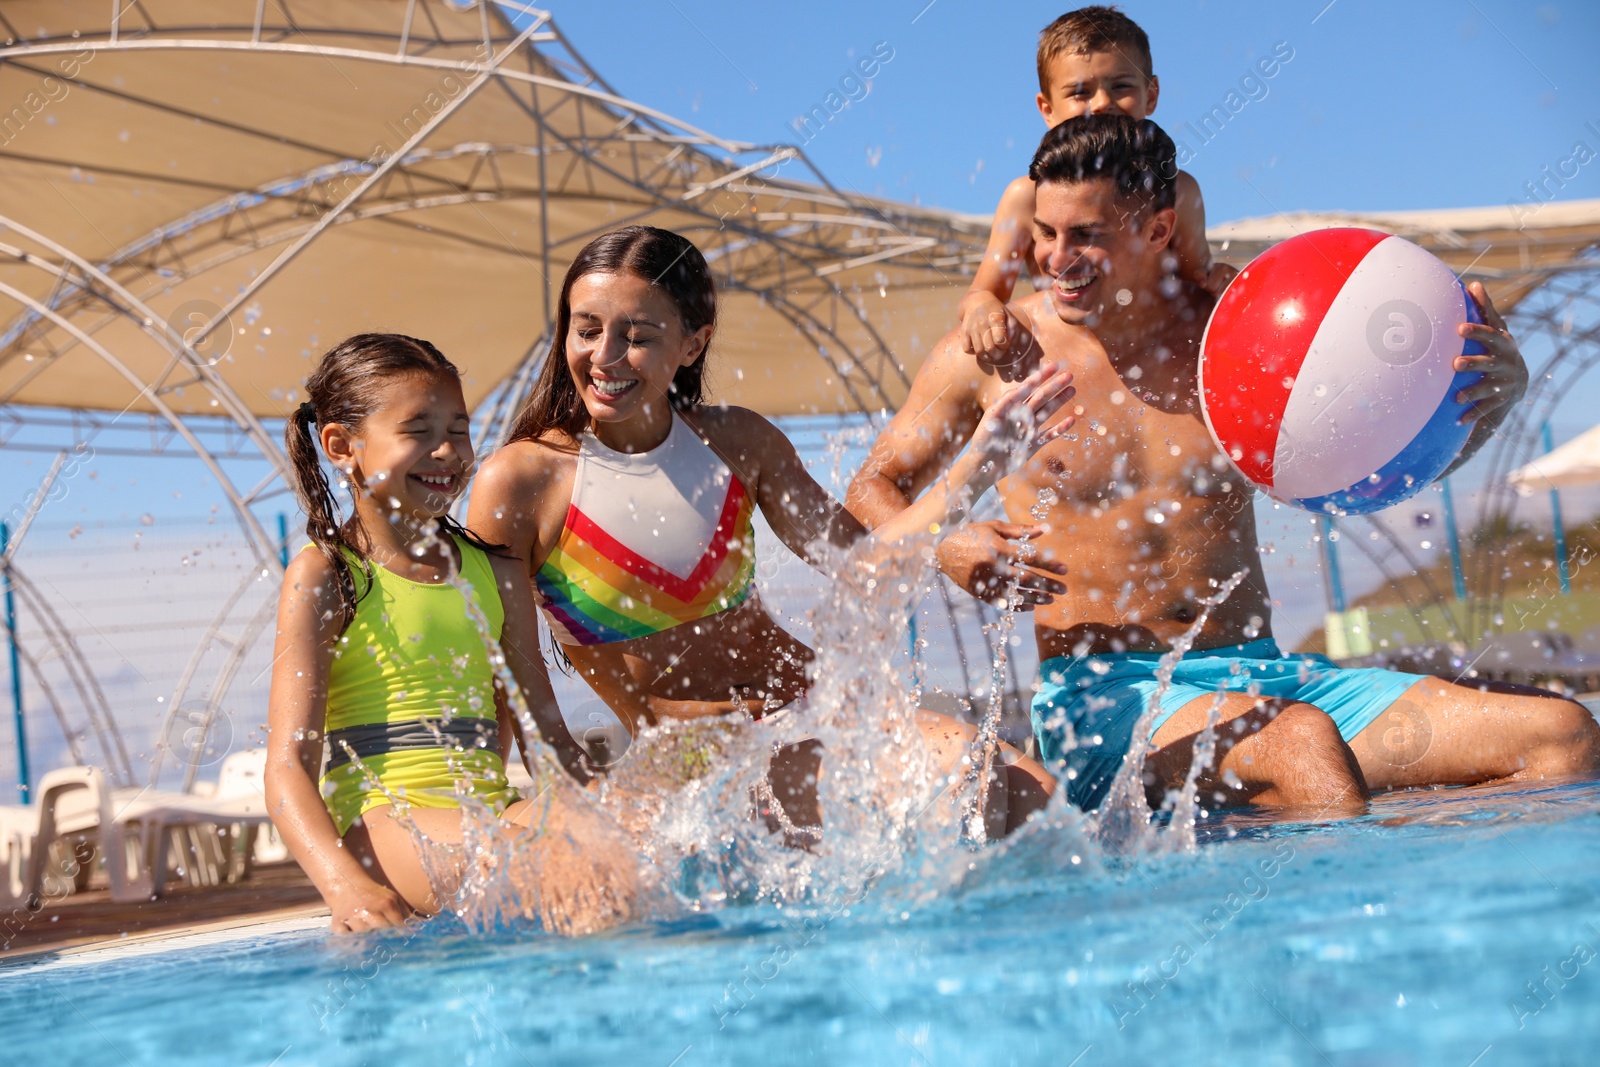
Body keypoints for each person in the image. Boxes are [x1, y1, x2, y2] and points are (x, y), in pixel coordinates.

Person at [848, 114, 1600, 815]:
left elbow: (1364, 470)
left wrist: (1486, 403)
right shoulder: (993, 356)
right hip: (1104, 699)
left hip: (1270, 677)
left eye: (1087, 235)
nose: (1053, 259)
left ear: (1158, 229)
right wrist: (949, 545)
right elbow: (867, 492)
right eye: (1044, 232)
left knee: (1562, 734)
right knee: (1303, 750)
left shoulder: (1236, 339)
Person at [467, 226, 1074, 841]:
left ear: (692, 343)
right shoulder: (523, 481)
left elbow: (864, 566)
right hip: (700, 762)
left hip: (821, 714)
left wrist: (975, 471)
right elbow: (497, 659)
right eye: (587, 329)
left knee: (1039, 799)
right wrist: (541, 787)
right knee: (966, 781)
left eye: (638, 337)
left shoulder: (737, 443)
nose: (605, 357)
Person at [264, 333, 644, 936]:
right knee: (567, 872)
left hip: (491, 808)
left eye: (459, 430)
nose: (447, 452)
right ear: (343, 446)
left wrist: (610, 808)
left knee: (640, 856)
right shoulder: (327, 576)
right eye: (418, 431)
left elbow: (546, 743)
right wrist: (343, 886)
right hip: (385, 822)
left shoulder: (496, 572)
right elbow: (287, 767)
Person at [957, 6, 1236, 365]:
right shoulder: (1027, 197)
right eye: (1080, 91)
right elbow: (982, 291)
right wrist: (982, 309)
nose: (1102, 103)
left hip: (1154, 356)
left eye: (1121, 86)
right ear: (1047, 108)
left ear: (1151, 94)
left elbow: (1197, 279)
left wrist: (1223, 281)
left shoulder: (1177, 190)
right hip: (1072, 354)